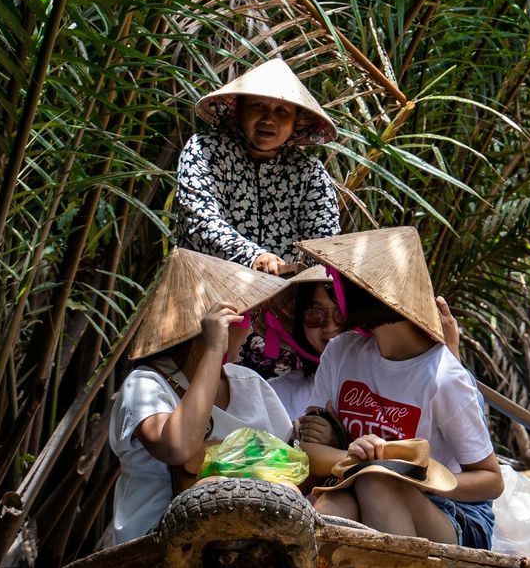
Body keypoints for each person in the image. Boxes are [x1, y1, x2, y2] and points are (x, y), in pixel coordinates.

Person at [293, 228, 502, 549]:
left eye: (340, 285)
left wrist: (415, 475)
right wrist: (354, 456)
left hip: (453, 513)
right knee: (333, 506)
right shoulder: (341, 352)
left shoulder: (444, 377)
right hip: (359, 485)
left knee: (377, 480)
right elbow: (310, 448)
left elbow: (491, 480)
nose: (335, 294)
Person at [107, 250, 293, 543]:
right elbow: (178, 448)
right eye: (244, 318)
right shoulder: (146, 383)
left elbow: (286, 463)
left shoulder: (249, 382)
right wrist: (212, 350)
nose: (251, 331)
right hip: (156, 543)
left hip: (251, 540)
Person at [175, 56, 340, 277]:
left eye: (282, 111)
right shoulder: (206, 149)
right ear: (240, 110)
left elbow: (325, 244)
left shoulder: (309, 172)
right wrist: (254, 257)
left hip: (281, 298)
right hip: (207, 290)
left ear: (295, 123)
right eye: (258, 106)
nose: (269, 120)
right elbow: (199, 220)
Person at [265, 270, 345, 421]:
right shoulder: (276, 395)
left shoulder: (392, 386)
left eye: (341, 314)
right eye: (315, 314)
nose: (330, 327)